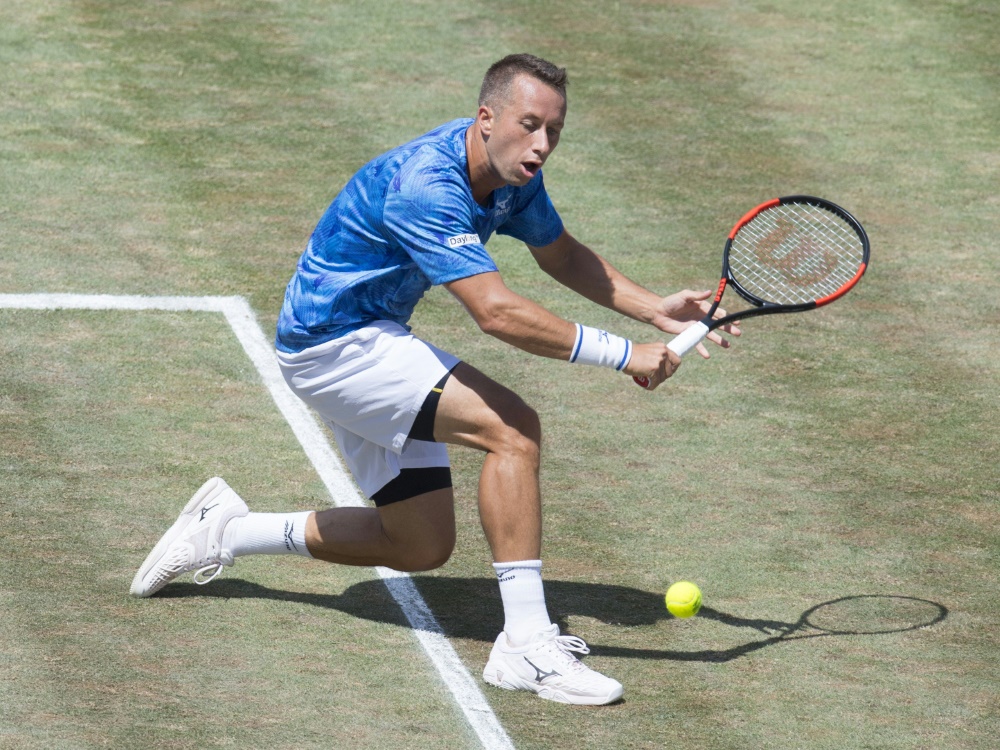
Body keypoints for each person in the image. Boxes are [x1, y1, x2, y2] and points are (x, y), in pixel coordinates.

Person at [131, 53, 736, 705]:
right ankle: (526, 647)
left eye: (554, 132)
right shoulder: (428, 183)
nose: (542, 145)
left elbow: (559, 251)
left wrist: (653, 308)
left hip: (374, 335)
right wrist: (626, 354)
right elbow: (496, 313)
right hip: (333, 347)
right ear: (486, 117)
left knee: (418, 544)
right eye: (530, 125)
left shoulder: (514, 174)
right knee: (512, 430)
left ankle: (224, 530)